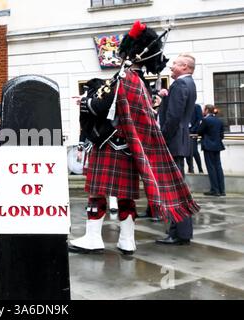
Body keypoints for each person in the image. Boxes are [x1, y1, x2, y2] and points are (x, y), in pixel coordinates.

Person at [68, 21, 199, 255]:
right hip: (130, 148)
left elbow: (98, 108)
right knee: (126, 196)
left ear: (131, 53)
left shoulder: (124, 78)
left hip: (109, 145)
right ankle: (127, 240)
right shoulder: (140, 83)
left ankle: (93, 237)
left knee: (97, 194)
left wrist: (86, 101)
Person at [156, 53, 198, 245]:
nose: (171, 67)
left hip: (173, 143)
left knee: (175, 191)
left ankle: (179, 233)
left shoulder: (180, 84)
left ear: (185, 67)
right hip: (179, 142)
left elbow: (173, 117)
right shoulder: (188, 84)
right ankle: (179, 232)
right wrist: (165, 96)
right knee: (178, 190)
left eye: (175, 64)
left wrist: (161, 139)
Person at [197, 104, 225, 196]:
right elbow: (221, 135)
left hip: (208, 146)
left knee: (211, 168)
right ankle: (222, 190)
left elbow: (199, 131)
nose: (203, 111)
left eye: (204, 109)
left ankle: (215, 190)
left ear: (207, 110)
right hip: (217, 146)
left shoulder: (205, 120)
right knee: (218, 167)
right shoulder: (219, 120)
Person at [186, 103, 204, 174]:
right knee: (186, 151)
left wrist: (193, 129)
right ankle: (190, 168)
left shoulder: (196, 106)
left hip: (193, 132)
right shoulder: (183, 106)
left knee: (194, 151)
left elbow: (199, 119)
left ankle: (200, 168)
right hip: (185, 132)